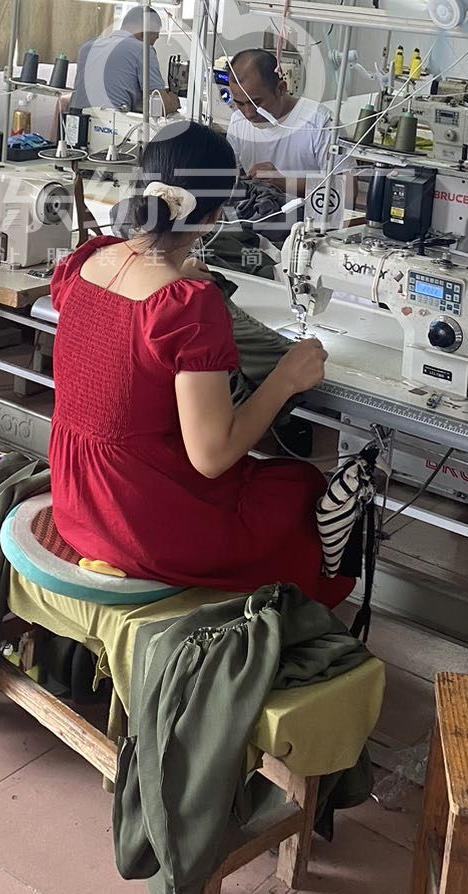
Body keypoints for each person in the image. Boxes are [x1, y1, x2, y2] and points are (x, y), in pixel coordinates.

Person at [48, 120, 352, 606]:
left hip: (77, 501)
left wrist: (176, 273)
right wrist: (285, 378)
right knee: (300, 490)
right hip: (138, 527)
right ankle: (293, 621)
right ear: (213, 218)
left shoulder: (88, 262)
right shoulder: (184, 308)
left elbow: (122, 341)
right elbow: (211, 458)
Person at [71, 5, 179, 115]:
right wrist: (173, 100)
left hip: (75, 121)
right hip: (113, 122)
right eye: (154, 39)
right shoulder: (143, 50)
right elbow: (163, 106)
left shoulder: (88, 48)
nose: (152, 45)